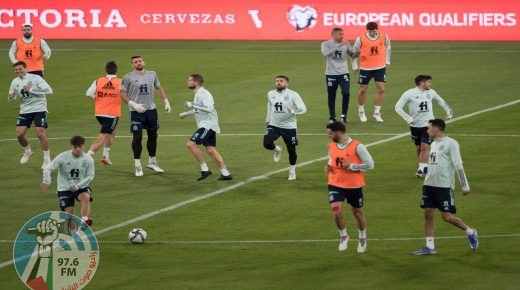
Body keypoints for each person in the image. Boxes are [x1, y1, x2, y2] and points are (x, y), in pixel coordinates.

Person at [412, 119, 478, 255]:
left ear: (436, 129)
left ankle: (470, 232)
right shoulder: (433, 144)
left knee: (447, 217)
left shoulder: (451, 144)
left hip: (443, 186)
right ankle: (430, 247)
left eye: (429, 128)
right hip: (429, 184)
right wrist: (425, 173)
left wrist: (465, 185)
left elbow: (458, 165)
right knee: (428, 213)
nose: (427, 131)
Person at [325, 121, 374, 252]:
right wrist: (329, 165)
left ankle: (362, 237)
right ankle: (344, 236)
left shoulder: (358, 146)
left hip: (353, 185)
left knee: (357, 212)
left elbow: (370, 164)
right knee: (336, 209)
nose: (329, 136)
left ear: (338, 132)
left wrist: (352, 166)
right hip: (335, 182)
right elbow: (332, 158)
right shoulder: (331, 145)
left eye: (330, 134)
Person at [120, 55, 171, 176]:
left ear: (144, 62)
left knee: (153, 136)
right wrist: (133, 104)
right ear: (132, 65)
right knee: (137, 138)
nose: (138, 63)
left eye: (140, 61)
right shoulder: (128, 77)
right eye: (135, 62)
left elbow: (158, 87)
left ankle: (152, 162)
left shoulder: (152, 74)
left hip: (151, 110)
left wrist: (166, 101)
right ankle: (137, 165)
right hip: (136, 111)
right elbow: (122, 93)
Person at [395, 75, 453, 178]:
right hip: (415, 126)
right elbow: (398, 107)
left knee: (424, 147)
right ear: (422, 83)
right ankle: (425, 167)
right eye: (428, 82)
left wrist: (449, 111)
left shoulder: (431, 92)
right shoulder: (409, 93)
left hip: (428, 125)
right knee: (418, 148)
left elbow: (440, 101)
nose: (430, 84)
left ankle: (421, 170)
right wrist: (408, 118)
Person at [179, 74, 233, 181]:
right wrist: (187, 113)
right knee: (210, 150)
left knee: (191, 144)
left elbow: (209, 108)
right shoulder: (198, 93)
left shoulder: (204, 93)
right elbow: (199, 109)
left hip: (207, 125)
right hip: (209, 125)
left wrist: (191, 104)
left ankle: (205, 170)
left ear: (197, 82)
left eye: (190, 80)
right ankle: (226, 173)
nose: (187, 82)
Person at [41, 135, 95, 226]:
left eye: (80, 147)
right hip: (64, 188)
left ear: (83, 146)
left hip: (80, 186)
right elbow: (47, 168)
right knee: (69, 213)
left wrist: (78, 186)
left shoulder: (88, 159)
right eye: (75, 147)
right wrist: (46, 181)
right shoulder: (63, 157)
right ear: (71, 146)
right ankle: (73, 233)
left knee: (86, 197)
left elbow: (90, 176)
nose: (77, 149)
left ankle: (84, 220)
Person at [7, 61, 53, 168]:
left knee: (40, 133)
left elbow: (49, 90)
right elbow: (13, 97)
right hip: (25, 110)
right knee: (19, 134)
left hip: (39, 107)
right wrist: (11, 97)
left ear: (26, 68)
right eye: (16, 70)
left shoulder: (36, 78)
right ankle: (27, 151)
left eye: (20, 69)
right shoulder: (14, 82)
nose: (18, 71)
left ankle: (47, 160)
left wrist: (31, 89)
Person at [263, 75, 307, 180]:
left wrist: (294, 111)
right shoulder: (270, 93)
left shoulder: (293, 95)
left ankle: (292, 171)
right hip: (274, 124)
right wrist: (267, 119)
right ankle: (277, 149)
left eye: (281, 81)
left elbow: (303, 109)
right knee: (267, 143)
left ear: (286, 83)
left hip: (289, 127)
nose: (278, 83)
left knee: (291, 150)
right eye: (277, 81)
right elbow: (270, 105)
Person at [352, 22, 391, 123]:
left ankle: (376, 113)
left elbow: (388, 47)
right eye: (370, 31)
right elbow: (354, 51)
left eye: (374, 31)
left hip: (379, 67)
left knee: (381, 89)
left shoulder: (383, 36)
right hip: (366, 68)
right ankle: (361, 111)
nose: (372, 33)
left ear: (377, 29)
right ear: (367, 30)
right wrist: (355, 65)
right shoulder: (361, 38)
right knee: (363, 90)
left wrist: (387, 61)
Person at [85, 61, 122, 165]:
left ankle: (106, 156)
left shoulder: (98, 80)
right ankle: (87, 158)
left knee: (112, 132)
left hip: (99, 113)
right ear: (116, 70)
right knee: (103, 136)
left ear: (106, 70)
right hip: (112, 114)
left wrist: (99, 99)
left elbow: (88, 93)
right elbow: (125, 95)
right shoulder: (120, 82)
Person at [321, 27, 360, 123]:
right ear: (333, 34)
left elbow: (352, 55)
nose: (341, 36)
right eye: (339, 34)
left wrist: (358, 52)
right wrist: (337, 45)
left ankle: (344, 116)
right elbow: (325, 53)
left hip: (343, 73)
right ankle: (332, 117)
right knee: (331, 96)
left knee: (346, 93)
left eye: (342, 34)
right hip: (331, 74)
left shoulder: (346, 44)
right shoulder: (325, 44)